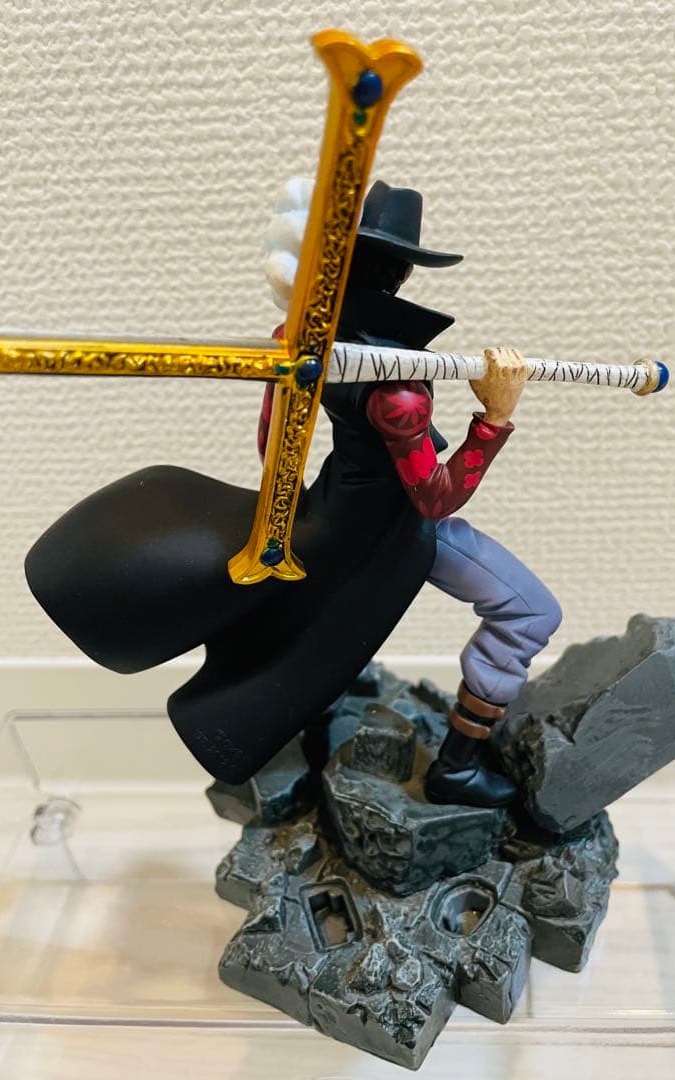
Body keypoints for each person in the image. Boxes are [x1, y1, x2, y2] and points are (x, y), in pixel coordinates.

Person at [263, 179, 563, 807]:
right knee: (531, 612)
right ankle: (456, 767)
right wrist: (494, 418)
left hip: (332, 506)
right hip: (394, 526)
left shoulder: (296, 338)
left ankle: (318, 733)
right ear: (402, 272)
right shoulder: (397, 389)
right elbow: (434, 500)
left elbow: (273, 445)